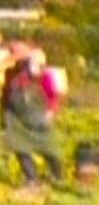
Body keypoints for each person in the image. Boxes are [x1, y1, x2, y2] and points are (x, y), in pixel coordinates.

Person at [2, 42, 61, 181]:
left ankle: (56, 176)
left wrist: (50, 112)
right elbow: (6, 94)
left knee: (48, 146)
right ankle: (31, 179)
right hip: (15, 116)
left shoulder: (41, 73)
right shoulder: (9, 74)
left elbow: (54, 95)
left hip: (37, 115)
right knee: (19, 146)